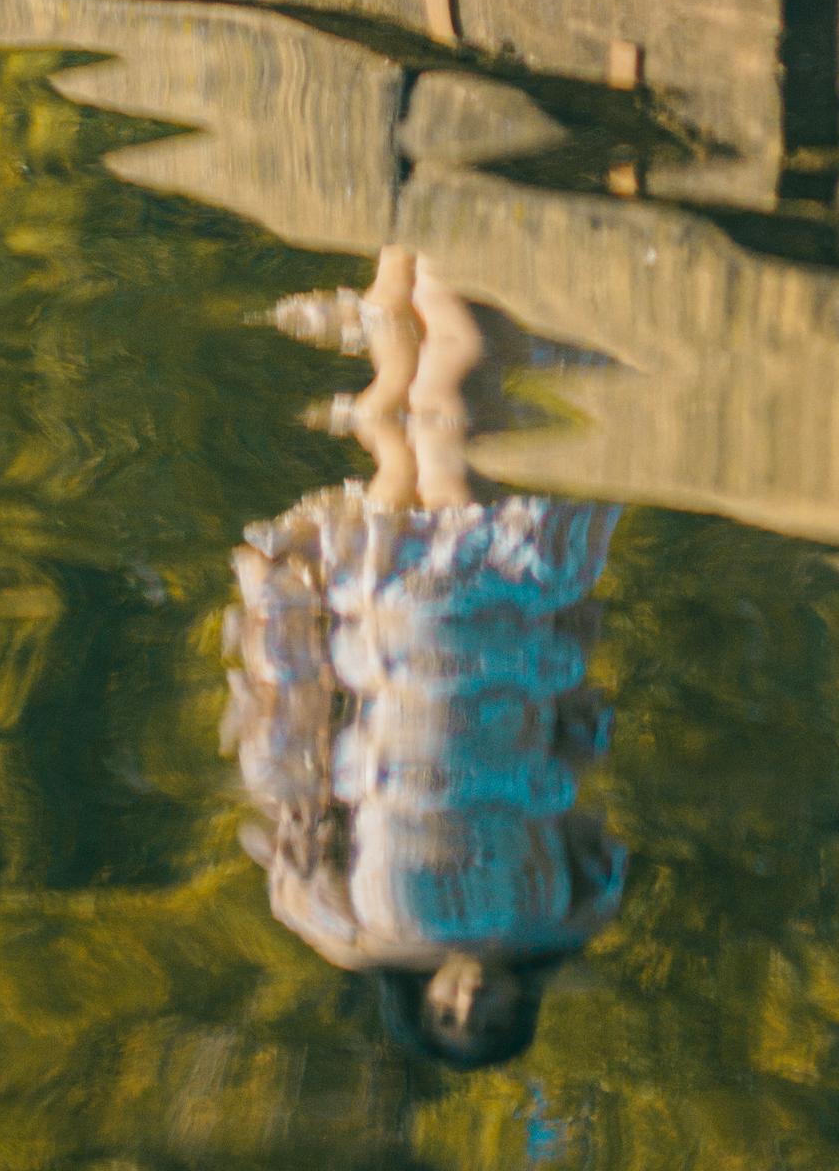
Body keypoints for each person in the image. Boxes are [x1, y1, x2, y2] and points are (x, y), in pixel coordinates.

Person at [225, 243, 626, 1080]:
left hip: (387, 642)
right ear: (524, 1005)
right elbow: (586, 764)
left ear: (420, 1008)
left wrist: (285, 635)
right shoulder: (567, 919)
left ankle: (416, 235)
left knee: (397, 416)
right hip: (502, 634)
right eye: (492, 1018)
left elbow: (292, 789)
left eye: (447, 1017)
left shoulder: (354, 935)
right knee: (439, 417)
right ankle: (429, 233)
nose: (471, 1003)